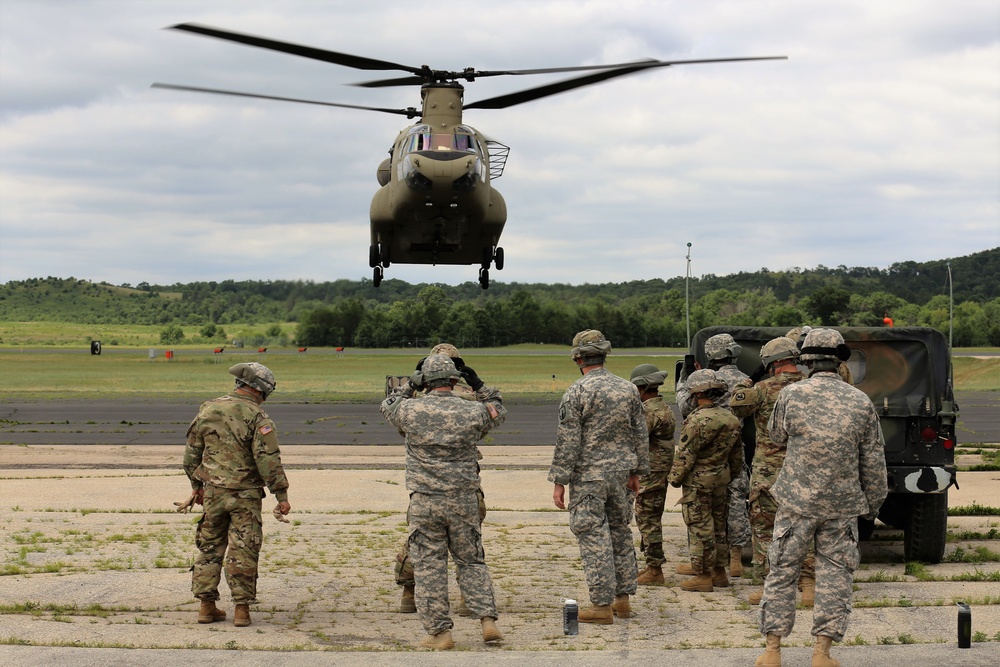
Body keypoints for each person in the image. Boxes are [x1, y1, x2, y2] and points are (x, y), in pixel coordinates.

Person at [757, 329, 887, 667]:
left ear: (806, 359)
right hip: (841, 506)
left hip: (796, 502)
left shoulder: (791, 395)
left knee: (782, 571)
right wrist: (872, 506)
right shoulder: (860, 401)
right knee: (835, 576)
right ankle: (822, 654)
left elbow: (776, 435)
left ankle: (772, 651)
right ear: (840, 358)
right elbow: (873, 463)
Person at [381, 353, 506, 650]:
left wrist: (410, 383)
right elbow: (498, 410)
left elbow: (387, 405)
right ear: (454, 380)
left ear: (425, 382)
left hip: (426, 500)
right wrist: (477, 383)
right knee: (472, 560)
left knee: (429, 567)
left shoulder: (410, 410)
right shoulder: (472, 411)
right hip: (464, 498)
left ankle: (440, 633)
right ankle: (487, 620)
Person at [548, 330, 648, 624]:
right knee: (619, 532)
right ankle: (623, 599)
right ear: (605, 355)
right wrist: (637, 471)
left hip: (589, 477)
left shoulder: (577, 391)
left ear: (578, 358)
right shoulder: (628, 389)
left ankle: (601, 606)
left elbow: (568, 440)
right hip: (620, 475)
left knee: (594, 538)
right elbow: (639, 434)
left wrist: (559, 479)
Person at [183, 362, 290, 628]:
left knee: (209, 547)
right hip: (245, 494)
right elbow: (268, 459)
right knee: (244, 548)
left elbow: (191, 453)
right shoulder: (257, 417)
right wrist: (281, 494)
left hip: (213, 492)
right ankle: (241, 610)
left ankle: (206, 607)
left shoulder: (208, 409)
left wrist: (196, 486)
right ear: (260, 390)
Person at [394, 342, 487, 616]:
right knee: (467, 545)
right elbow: (487, 420)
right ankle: (470, 600)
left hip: (425, 484)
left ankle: (410, 594)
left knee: (420, 541)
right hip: (463, 482)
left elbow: (400, 423)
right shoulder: (469, 401)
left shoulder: (414, 404)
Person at [729, 336, 814, 606]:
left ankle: (771, 588)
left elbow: (736, 406)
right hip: (805, 469)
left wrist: (749, 380)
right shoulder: (811, 387)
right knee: (806, 526)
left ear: (771, 362)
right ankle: (809, 584)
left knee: (766, 529)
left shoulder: (764, 389)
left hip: (769, 472)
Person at [675, 332, 751, 578]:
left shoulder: (708, 380)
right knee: (736, 501)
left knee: (699, 510)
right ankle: (736, 558)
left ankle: (701, 563)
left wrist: (683, 381)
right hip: (733, 447)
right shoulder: (746, 380)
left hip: (703, 454)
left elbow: (686, 407)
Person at [668, 369, 743, 592]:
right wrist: (733, 474)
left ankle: (702, 575)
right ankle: (719, 572)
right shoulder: (731, 418)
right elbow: (736, 455)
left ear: (697, 393)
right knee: (719, 526)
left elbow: (686, 454)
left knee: (700, 527)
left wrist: (674, 479)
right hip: (722, 479)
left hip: (699, 483)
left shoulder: (697, 420)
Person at [629, 363, 677, 585]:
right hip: (658, 470)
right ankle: (651, 566)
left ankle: (655, 569)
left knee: (647, 519)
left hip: (650, 473)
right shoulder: (662, 407)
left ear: (641, 388)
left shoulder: (649, 411)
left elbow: (634, 439)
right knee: (651, 517)